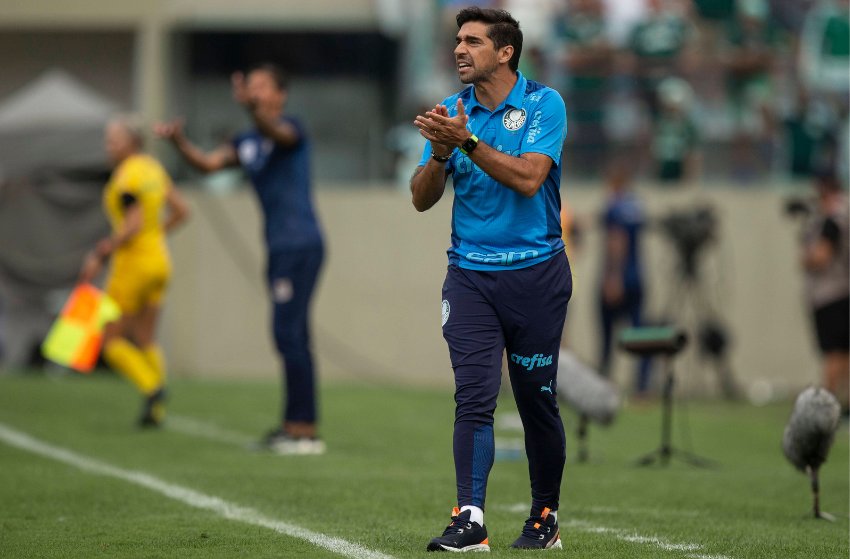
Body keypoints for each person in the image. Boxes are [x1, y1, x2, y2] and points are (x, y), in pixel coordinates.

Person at [410, 7, 570, 551]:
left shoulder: (545, 103)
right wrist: (438, 153)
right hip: (471, 277)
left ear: (505, 52)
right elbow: (421, 198)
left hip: (537, 276)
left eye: (473, 41)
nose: (459, 49)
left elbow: (529, 179)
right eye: (458, 40)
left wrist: (468, 144)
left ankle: (544, 515)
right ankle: (470, 518)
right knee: (473, 396)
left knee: (535, 400)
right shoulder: (452, 113)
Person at [153, 63, 326, 455]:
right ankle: (296, 426)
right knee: (290, 336)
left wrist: (251, 108)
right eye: (252, 87)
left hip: (300, 244)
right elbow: (209, 164)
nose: (257, 92)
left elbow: (275, 131)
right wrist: (179, 142)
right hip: (280, 246)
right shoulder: (248, 140)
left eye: (264, 86)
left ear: (281, 94)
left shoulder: (291, 128)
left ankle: (304, 432)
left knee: (289, 334)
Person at [79, 114, 190, 427]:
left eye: (114, 139)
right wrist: (155, 237)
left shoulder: (127, 176)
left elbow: (133, 224)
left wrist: (100, 253)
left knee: (111, 342)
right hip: (160, 262)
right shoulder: (154, 169)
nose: (108, 146)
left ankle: (153, 389)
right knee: (145, 339)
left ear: (132, 142)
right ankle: (155, 411)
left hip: (133, 267)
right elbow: (183, 211)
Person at [597, 161, 651, 397]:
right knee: (640, 333)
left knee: (608, 335)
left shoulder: (615, 206)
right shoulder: (636, 205)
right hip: (637, 276)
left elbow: (617, 240)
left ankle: (602, 385)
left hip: (619, 277)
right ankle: (642, 386)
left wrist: (613, 277)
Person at [800, 168, 849, 416]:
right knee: (843, 352)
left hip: (831, 293)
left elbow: (821, 257)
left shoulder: (832, 219)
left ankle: (829, 407)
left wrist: (805, 255)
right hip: (843, 291)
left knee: (833, 352)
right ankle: (845, 405)